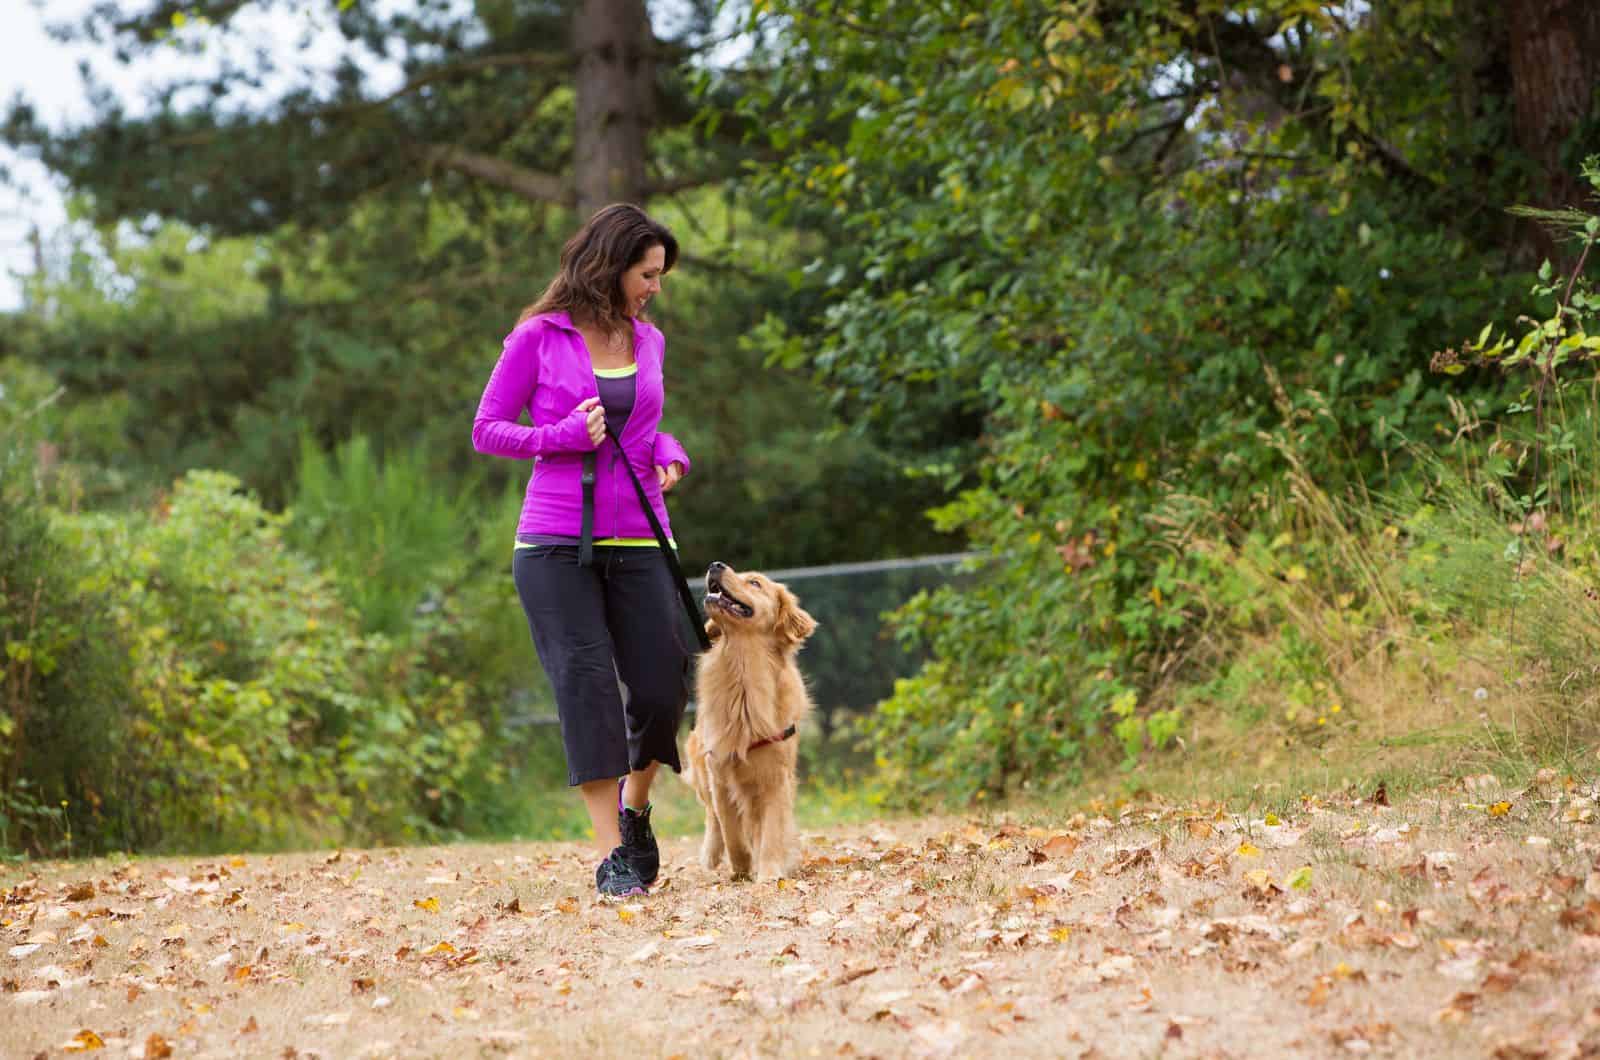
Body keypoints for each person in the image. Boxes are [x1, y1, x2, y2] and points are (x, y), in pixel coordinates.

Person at [471, 203, 691, 898]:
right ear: (611, 265)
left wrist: (672, 452)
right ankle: (610, 858)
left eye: (658, 275)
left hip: (641, 535)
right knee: (588, 687)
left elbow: (645, 429)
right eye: (647, 273)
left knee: (662, 685)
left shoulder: (647, 340)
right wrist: (556, 436)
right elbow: (487, 429)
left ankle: (635, 809)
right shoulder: (537, 338)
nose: (654, 286)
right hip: (554, 543)